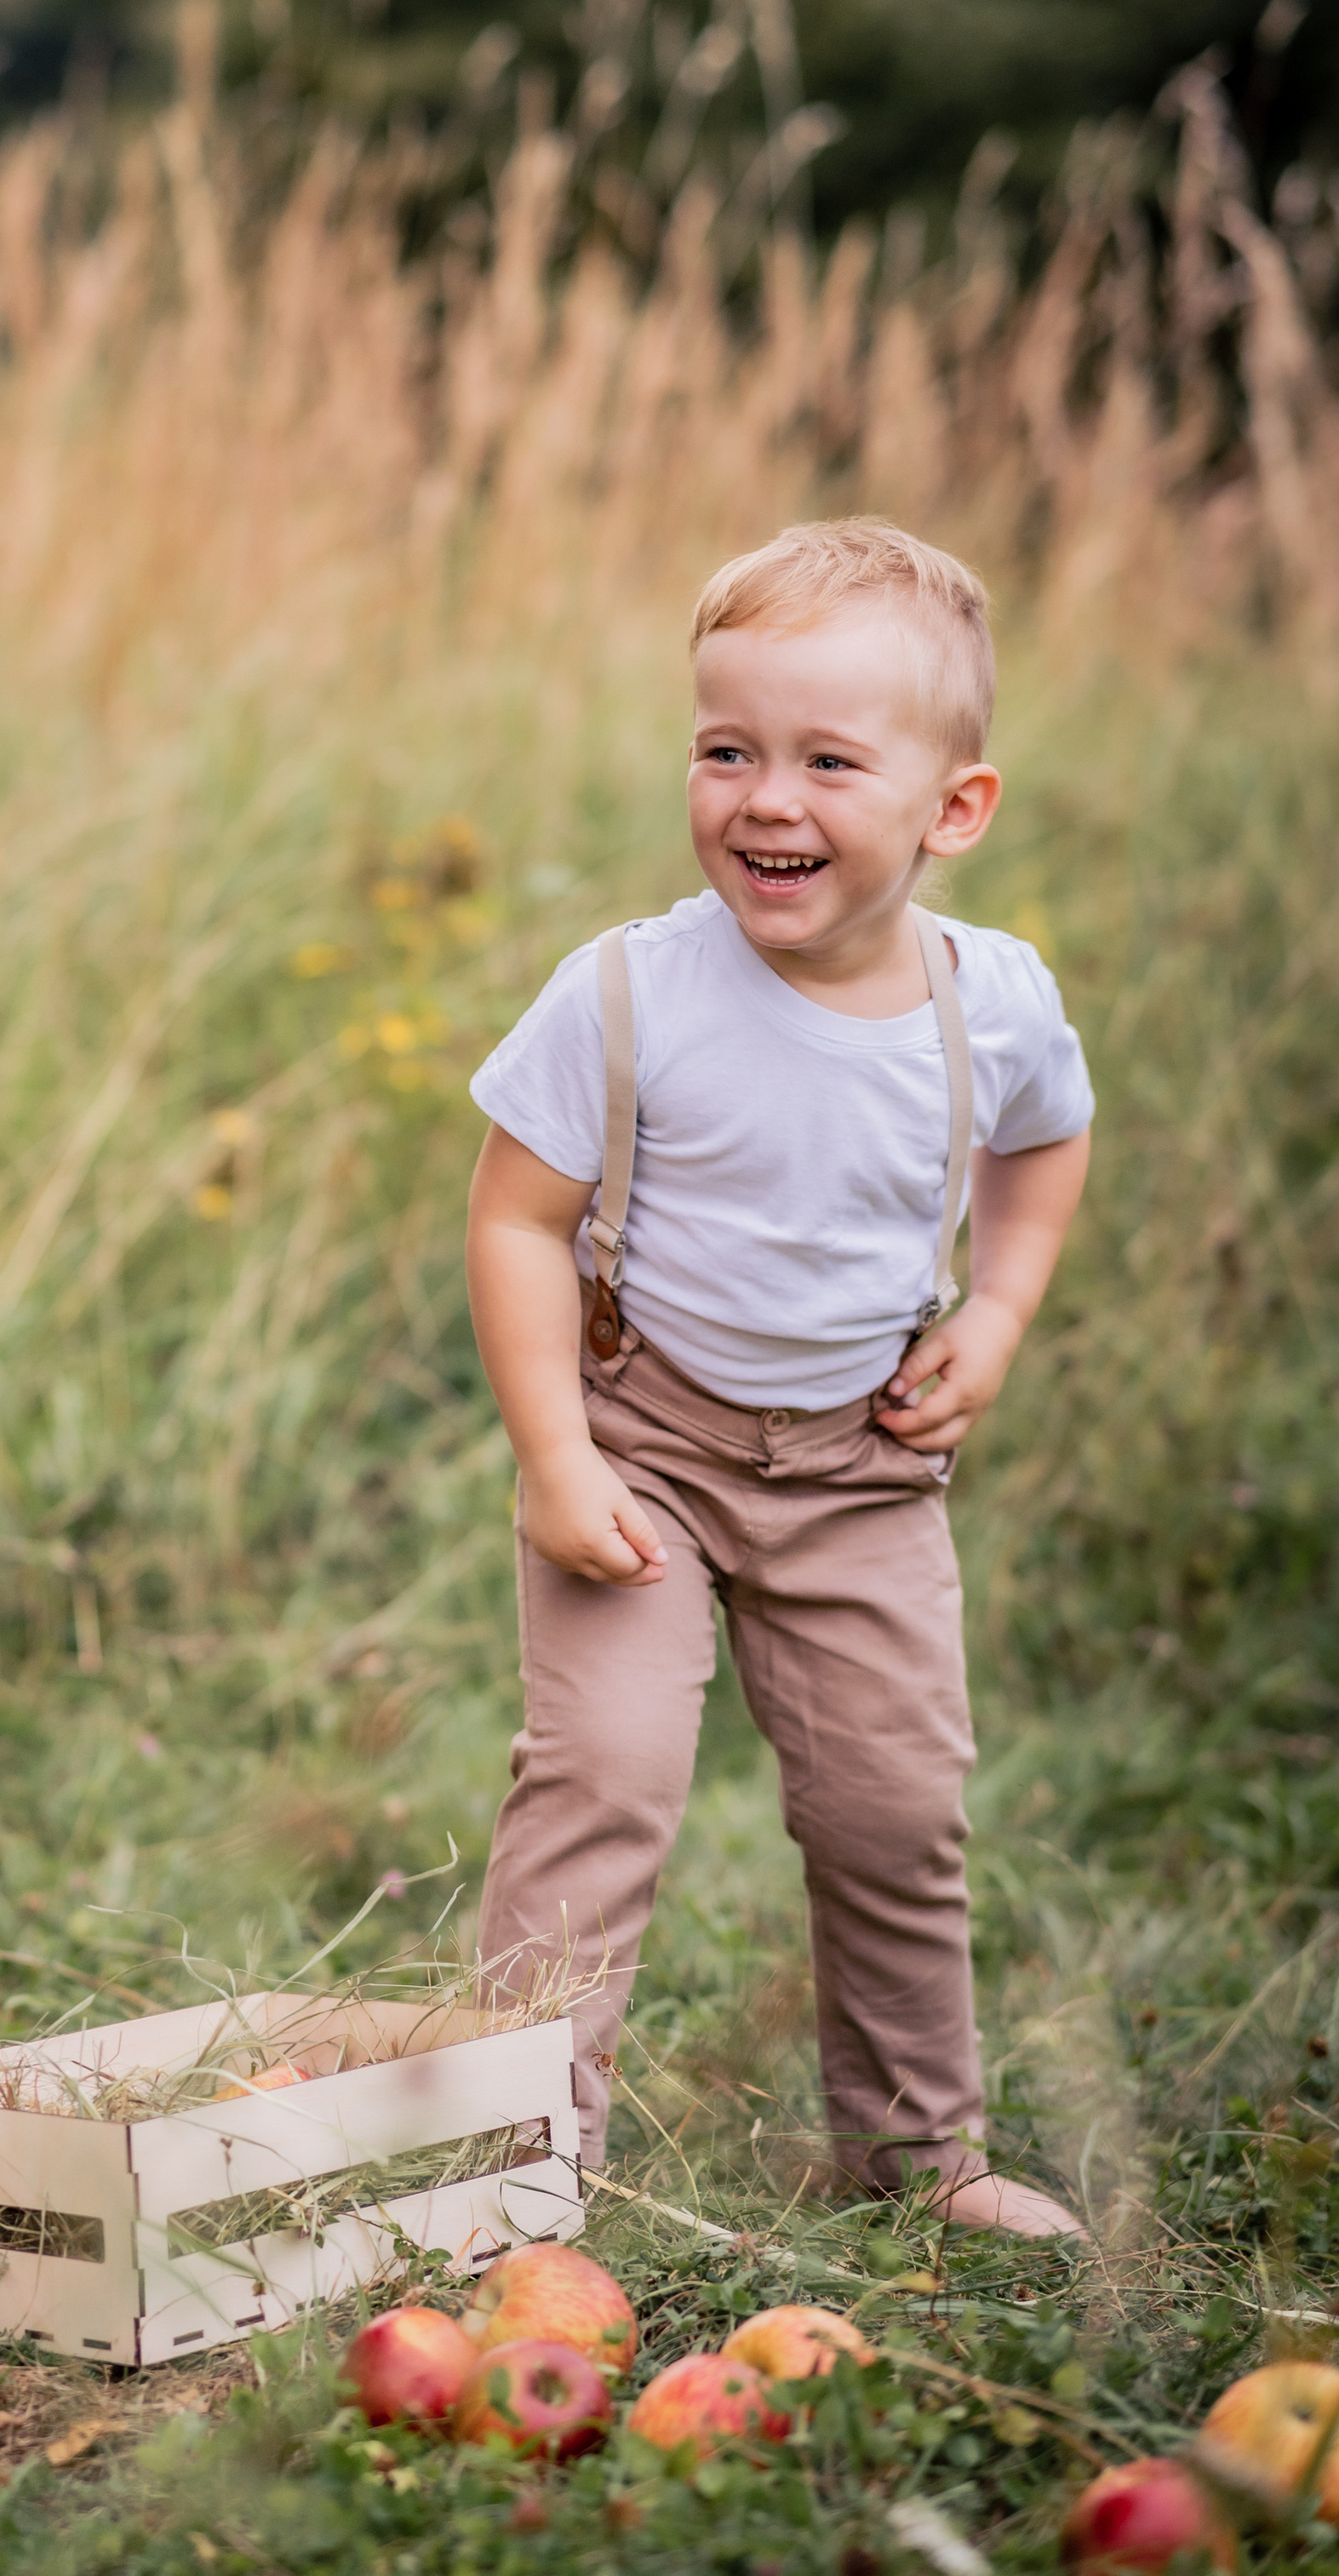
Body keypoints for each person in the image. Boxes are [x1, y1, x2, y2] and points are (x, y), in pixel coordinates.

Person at [466, 519, 1094, 2237]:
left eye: (826, 760)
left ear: (948, 808)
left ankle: (915, 2155)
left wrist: (1001, 1308)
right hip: (641, 1449)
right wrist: (552, 1456)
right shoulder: (627, 992)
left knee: (893, 1810)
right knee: (594, 1788)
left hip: (861, 1468)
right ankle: (511, 2166)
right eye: (724, 749)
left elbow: (1043, 1145)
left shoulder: (996, 1003)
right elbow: (517, 1221)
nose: (763, 798)